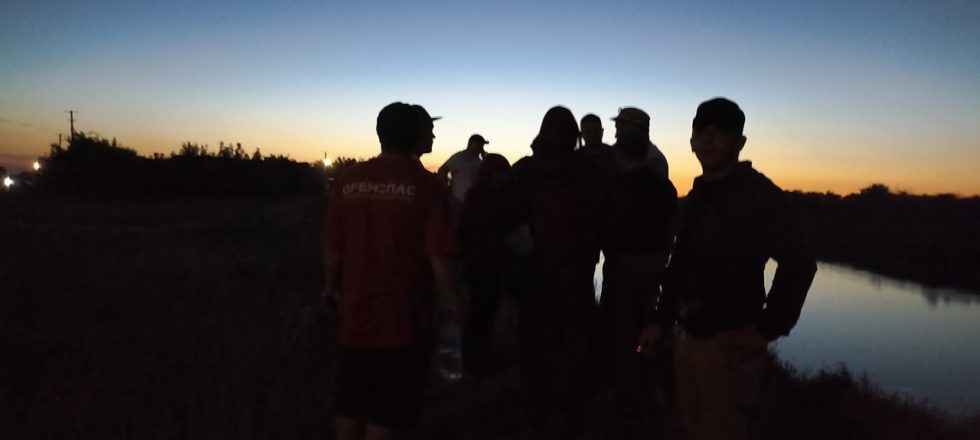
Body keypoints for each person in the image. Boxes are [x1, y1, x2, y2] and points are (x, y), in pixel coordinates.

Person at [638, 97, 817, 440]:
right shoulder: (698, 195)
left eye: (720, 132)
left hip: (730, 345)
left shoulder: (758, 195)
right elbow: (681, 264)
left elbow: (800, 263)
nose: (708, 139)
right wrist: (661, 320)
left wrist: (767, 328)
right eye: (701, 132)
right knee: (692, 426)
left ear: (739, 142)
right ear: (692, 141)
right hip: (688, 337)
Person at [322, 102, 459, 440]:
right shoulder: (427, 186)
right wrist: (451, 303)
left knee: (351, 400)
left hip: (355, 314)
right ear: (415, 134)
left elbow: (333, 245)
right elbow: (438, 255)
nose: (433, 136)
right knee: (389, 408)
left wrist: (329, 286)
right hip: (403, 319)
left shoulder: (348, 180)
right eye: (428, 130)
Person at [512, 106, 600, 434]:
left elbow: (509, 217)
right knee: (572, 335)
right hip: (576, 268)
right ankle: (570, 406)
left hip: (534, 268)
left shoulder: (525, 169)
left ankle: (536, 405)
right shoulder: (588, 170)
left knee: (534, 334)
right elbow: (599, 218)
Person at [596, 134, 677, 399]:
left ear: (621, 155)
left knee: (621, 325)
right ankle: (652, 381)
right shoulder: (665, 188)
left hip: (622, 266)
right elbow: (671, 229)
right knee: (650, 322)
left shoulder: (616, 187)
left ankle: (626, 387)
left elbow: (605, 228)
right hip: (654, 264)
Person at [458, 153, 517, 376]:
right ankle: (477, 361)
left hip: (475, 260)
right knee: (483, 311)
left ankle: (474, 358)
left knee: (479, 310)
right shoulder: (497, 197)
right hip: (488, 261)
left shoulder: (473, 195)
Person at [437, 134, 488, 225]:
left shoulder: (479, 161)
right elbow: (442, 170)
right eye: (479, 144)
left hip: (472, 202)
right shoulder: (459, 157)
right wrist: (446, 189)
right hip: (457, 200)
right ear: (471, 144)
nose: (481, 147)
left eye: (482, 145)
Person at [611, 107, 669, 179]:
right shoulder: (614, 151)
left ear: (636, 130)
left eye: (621, 129)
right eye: (617, 128)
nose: (616, 135)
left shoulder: (655, 160)